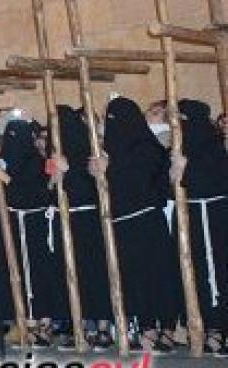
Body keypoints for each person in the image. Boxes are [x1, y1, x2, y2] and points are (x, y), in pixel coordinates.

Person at [101, 96, 184, 351]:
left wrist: (109, 169)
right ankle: (147, 327)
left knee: (159, 275)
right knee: (135, 279)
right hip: (123, 223)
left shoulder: (147, 148)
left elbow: (140, 180)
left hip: (148, 220)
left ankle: (167, 329)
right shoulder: (109, 151)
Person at [0, 118, 65, 346]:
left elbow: (29, 194)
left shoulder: (36, 163)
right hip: (15, 228)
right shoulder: (6, 161)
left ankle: (43, 322)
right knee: (18, 273)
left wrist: (4, 179)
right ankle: (25, 321)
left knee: (39, 272)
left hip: (35, 226)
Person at [56, 105, 115, 349]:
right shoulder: (57, 155)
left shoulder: (92, 152)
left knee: (96, 272)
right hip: (68, 220)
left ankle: (103, 327)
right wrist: (56, 174)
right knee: (74, 274)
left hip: (90, 219)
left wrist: (70, 170)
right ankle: (81, 326)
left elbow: (91, 189)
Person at [180, 99, 228, 352]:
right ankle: (210, 327)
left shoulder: (212, 147)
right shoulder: (186, 148)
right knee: (200, 272)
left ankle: (218, 330)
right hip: (196, 215)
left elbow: (204, 178)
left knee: (217, 272)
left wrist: (184, 171)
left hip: (215, 215)